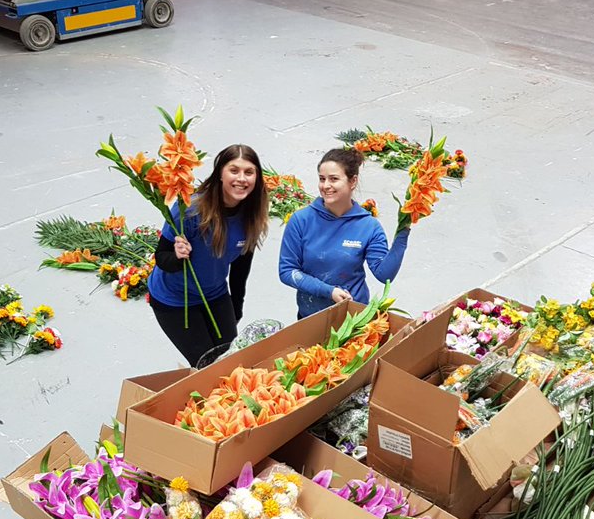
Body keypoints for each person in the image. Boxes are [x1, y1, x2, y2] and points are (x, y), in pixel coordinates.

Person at [149, 144, 268, 366]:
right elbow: (161, 257)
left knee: (232, 360)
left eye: (249, 172)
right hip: (176, 300)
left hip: (214, 293)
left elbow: (241, 267)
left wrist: (236, 306)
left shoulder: (252, 214)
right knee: (208, 367)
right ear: (220, 173)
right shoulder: (190, 209)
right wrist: (177, 256)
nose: (241, 179)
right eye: (234, 170)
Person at [278, 148, 409, 319]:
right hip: (310, 318)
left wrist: (403, 230)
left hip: (354, 319)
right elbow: (287, 271)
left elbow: (384, 274)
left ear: (352, 181)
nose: (326, 186)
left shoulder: (368, 226)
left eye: (334, 179)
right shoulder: (301, 220)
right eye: (322, 179)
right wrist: (328, 291)